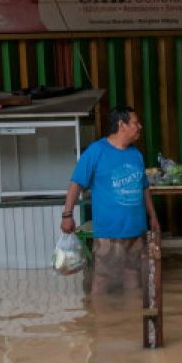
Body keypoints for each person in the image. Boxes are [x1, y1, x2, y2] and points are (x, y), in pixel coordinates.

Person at [61, 106, 160, 297]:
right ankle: (100, 323)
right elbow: (76, 184)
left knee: (134, 278)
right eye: (135, 123)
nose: (140, 126)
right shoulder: (96, 151)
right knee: (102, 280)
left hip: (136, 231)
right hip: (109, 233)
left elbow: (144, 188)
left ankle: (130, 320)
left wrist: (153, 217)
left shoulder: (136, 155)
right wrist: (67, 215)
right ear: (121, 125)